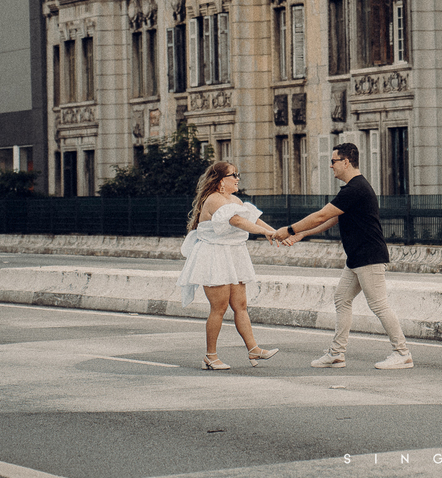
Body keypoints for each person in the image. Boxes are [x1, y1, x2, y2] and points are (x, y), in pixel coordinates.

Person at [272, 142, 413, 370]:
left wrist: (289, 230)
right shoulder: (351, 189)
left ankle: (403, 353)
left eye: (333, 161)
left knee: (378, 305)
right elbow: (332, 219)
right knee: (342, 299)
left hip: (369, 256)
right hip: (357, 257)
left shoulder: (356, 188)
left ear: (346, 162)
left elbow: (321, 215)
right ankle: (337, 354)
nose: (330, 166)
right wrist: (302, 234)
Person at [177, 161, 280, 370]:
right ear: (221, 181)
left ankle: (253, 349)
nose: (237, 179)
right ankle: (210, 356)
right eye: (233, 175)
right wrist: (265, 233)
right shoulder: (214, 200)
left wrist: (277, 233)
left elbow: (253, 219)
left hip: (232, 255)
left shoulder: (233, 199)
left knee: (241, 306)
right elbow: (237, 222)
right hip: (214, 256)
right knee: (219, 307)